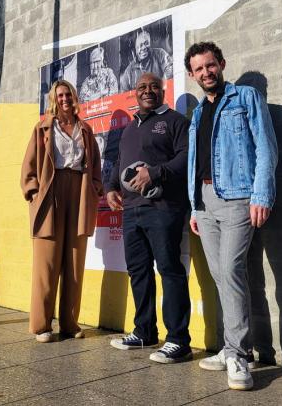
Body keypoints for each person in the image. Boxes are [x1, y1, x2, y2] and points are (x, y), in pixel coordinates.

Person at [186, 42, 278, 391]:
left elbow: (266, 146)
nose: (206, 72)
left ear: (221, 64)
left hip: (239, 197)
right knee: (220, 276)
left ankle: (239, 355)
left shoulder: (246, 97)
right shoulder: (196, 113)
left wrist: (261, 194)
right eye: (199, 69)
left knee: (230, 270)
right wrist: (195, 205)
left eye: (211, 65)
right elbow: (196, 163)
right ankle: (230, 349)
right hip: (206, 201)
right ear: (192, 75)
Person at [106, 73, 192, 363]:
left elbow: (185, 157)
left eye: (154, 87)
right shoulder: (129, 128)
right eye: (142, 87)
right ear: (135, 93)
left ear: (163, 90)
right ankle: (144, 331)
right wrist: (110, 188)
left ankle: (179, 340)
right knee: (138, 271)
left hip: (164, 207)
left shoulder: (176, 122)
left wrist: (153, 173)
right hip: (131, 209)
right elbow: (119, 161)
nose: (148, 91)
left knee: (169, 270)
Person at [21, 79, 103, 342]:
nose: (65, 99)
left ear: (74, 96)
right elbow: (30, 164)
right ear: (54, 99)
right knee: (47, 263)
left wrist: (95, 187)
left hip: (79, 190)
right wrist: (33, 191)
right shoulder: (43, 127)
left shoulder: (85, 130)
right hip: (51, 192)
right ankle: (42, 326)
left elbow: (96, 165)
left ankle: (70, 323)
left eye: (68, 94)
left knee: (75, 261)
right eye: (60, 95)